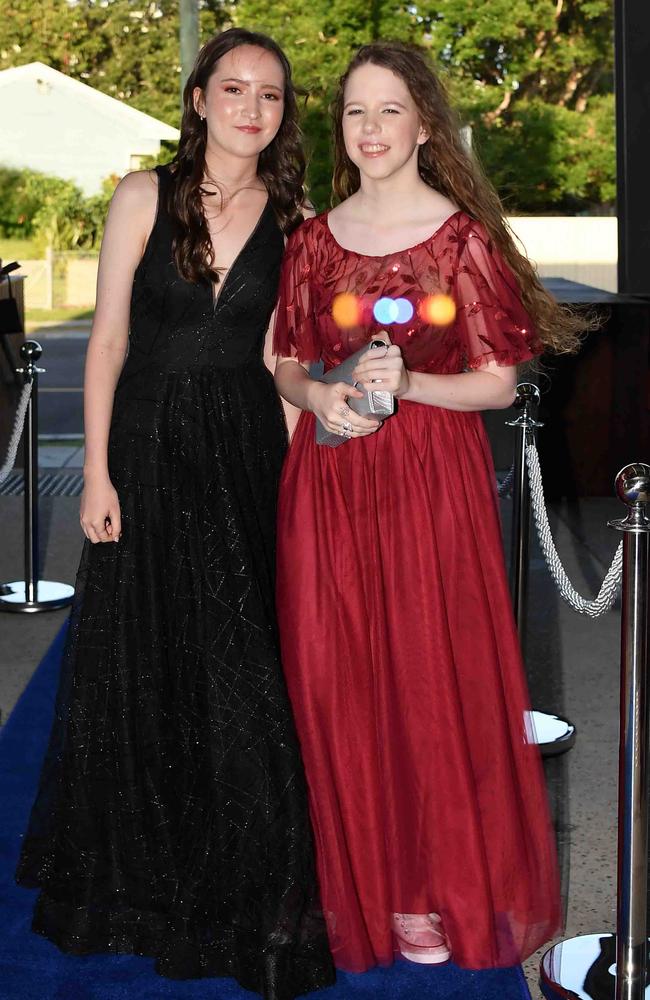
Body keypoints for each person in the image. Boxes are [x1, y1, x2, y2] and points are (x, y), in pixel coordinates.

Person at [16, 28, 334, 1000]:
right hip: (148, 452)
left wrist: (291, 478)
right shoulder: (141, 197)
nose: (250, 107)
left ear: (283, 113)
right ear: (197, 98)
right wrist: (99, 474)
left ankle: (257, 882)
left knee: (245, 671)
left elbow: (286, 358)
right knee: (145, 659)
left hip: (242, 447)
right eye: (232, 88)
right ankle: (145, 876)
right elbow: (107, 341)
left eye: (269, 95)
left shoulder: (297, 214)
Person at [273, 41, 586, 974]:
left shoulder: (461, 241)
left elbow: (497, 386)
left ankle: (438, 884)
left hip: (427, 486)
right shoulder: (313, 239)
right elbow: (286, 359)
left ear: (423, 125)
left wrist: (405, 383)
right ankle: (376, 885)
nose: (369, 130)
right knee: (340, 678)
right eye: (354, 113)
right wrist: (320, 394)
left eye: (389, 111)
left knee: (425, 674)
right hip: (328, 477)